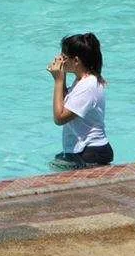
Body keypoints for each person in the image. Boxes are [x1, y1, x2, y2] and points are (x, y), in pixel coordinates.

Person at [46, 33, 113, 170]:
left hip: (91, 152)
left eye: (64, 57)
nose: (60, 59)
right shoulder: (82, 81)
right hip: (87, 150)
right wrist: (61, 77)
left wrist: (58, 80)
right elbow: (66, 104)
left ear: (76, 61)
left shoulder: (88, 86)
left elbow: (59, 118)